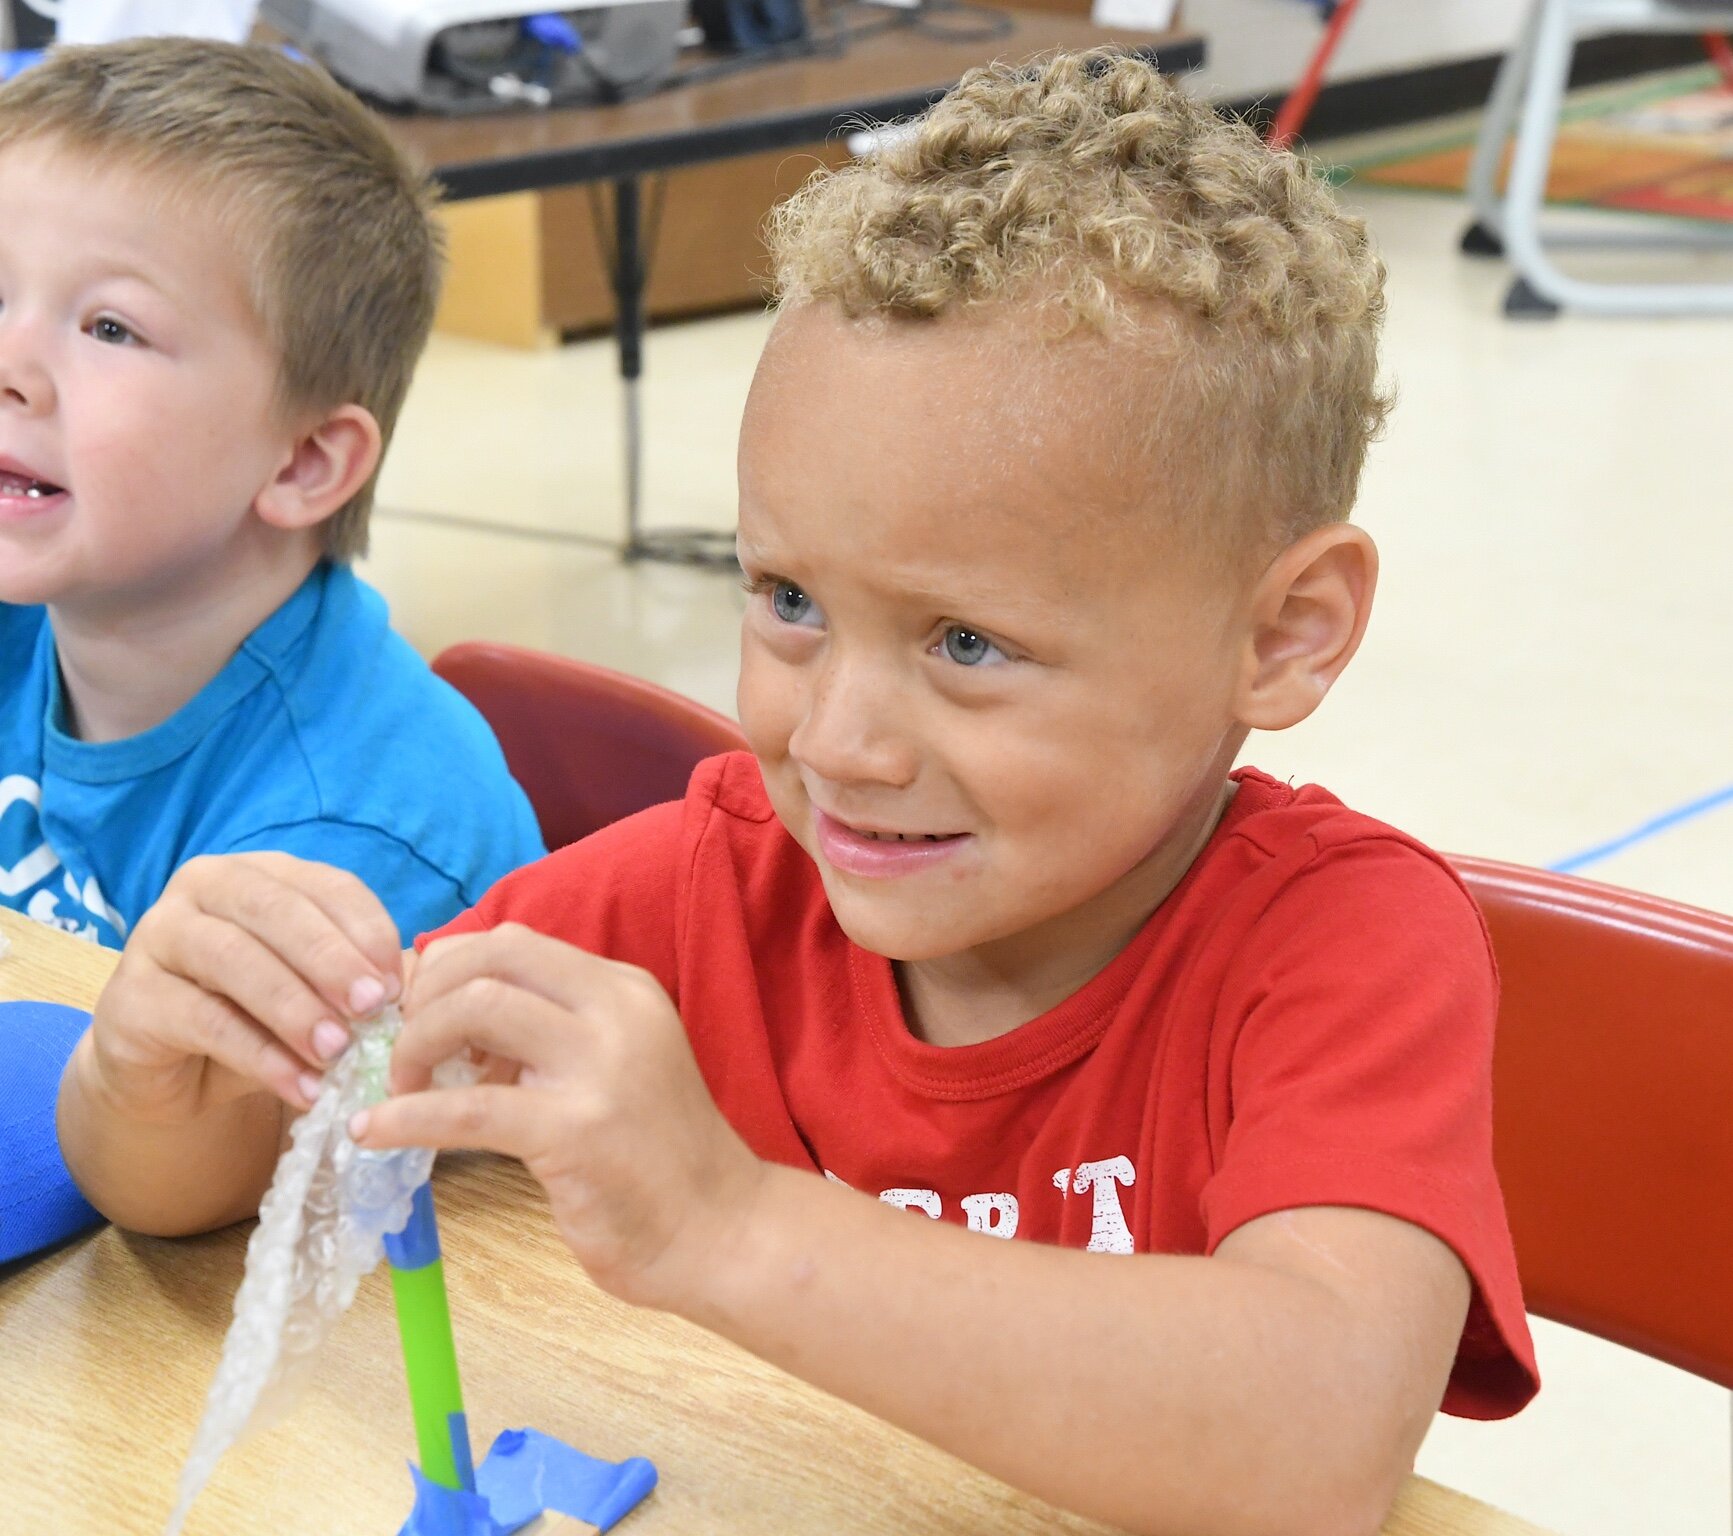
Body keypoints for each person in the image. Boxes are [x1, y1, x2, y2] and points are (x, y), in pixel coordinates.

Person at [60, 51, 1538, 1535]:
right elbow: (214, 1183)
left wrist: (730, 1225)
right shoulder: (692, 895)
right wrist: (147, 1075)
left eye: (968, 642)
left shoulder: (1345, 949)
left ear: (1283, 634)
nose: (838, 743)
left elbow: (1317, 1443)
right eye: (787, 599)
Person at [0, 38, 544, 953]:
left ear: (303, 464)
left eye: (109, 326)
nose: (13, 366)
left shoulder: (343, 853)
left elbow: (163, 1105)